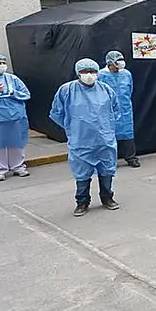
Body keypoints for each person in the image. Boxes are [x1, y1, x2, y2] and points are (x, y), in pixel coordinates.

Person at [50, 59, 121, 216]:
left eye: (92, 72)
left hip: (104, 139)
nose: (89, 75)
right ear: (78, 73)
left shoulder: (106, 89)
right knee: (82, 173)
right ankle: (82, 202)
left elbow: (116, 110)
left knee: (107, 170)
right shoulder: (67, 90)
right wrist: (72, 128)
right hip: (80, 140)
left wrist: (106, 127)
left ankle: (107, 198)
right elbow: (56, 113)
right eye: (84, 72)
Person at [99, 51, 139, 168]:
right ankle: (109, 160)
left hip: (125, 108)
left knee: (127, 133)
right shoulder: (102, 75)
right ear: (110, 63)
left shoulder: (126, 74)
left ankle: (131, 157)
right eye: (117, 62)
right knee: (109, 135)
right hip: (108, 110)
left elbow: (130, 89)